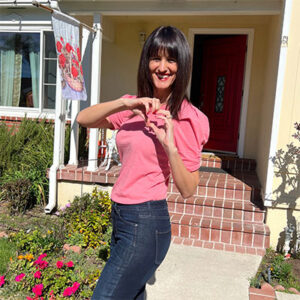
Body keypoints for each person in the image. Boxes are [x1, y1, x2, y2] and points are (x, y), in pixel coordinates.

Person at [76, 25, 209, 300]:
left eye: (171, 60)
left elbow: (188, 189)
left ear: (181, 65)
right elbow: (83, 119)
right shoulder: (133, 107)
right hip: (121, 216)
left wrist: (170, 147)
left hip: (147, 222)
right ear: (146, 62)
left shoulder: (187, 117)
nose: (162, 67)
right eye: (155, 58)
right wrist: (126, 104)